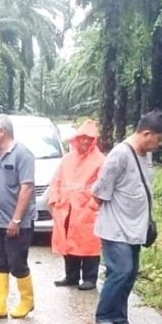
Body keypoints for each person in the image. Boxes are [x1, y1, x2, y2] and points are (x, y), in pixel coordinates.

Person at [92, 110, 162, 324]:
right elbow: (98, 193)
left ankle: (119, 319)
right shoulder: (119, 155)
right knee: (120, 271)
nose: (160, 144)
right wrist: (117, 214)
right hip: (115, 228)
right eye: (158, 139)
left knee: (130, 273)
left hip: (136, 228)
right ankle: (104, 317)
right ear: (146, 133)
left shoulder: (146, 155)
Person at [0, 114, 36, 320]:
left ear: (2, 132)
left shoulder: (23, 154)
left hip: (18, 223)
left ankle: (27, 301)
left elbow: (27, 188)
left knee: (17, 262)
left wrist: (16, 219)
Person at [49, 119, 105, 290]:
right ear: (76, 139)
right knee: (68, 242)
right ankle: (71, 276)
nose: (85, 141)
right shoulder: (67, 159)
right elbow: (56, 180)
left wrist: (92, 206)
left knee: (89, 243)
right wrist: (54, 199)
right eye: (82, 138)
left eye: (89, 138)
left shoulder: (100, 160)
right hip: (66, 208)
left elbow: (103, 185)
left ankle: (90, 278)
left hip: (87, 209)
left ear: (94, 140)